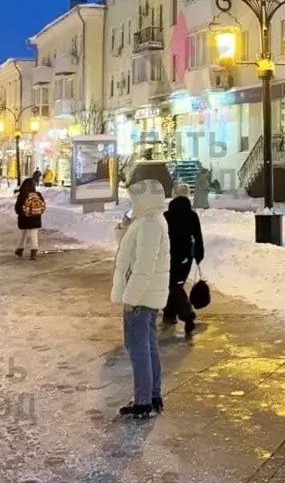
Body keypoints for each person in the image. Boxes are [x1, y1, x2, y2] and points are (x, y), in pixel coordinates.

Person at [111, 170, 170, 419]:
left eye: (136, 200)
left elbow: (144, 264)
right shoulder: (150, 220)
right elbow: (131, 249)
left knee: (138, 347)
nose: (132, 204)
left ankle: (143, 401)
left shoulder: (148, 224)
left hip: (141, 296)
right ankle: (152, 396)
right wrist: (125, 228)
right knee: (148, 346)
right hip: (148, 295)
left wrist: (131, 298)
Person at [162, 182, 205, 339]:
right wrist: (199, 255)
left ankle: (187, 315)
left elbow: (162, 238)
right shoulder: (192, 215)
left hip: (170, 256)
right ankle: (169, 314)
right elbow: (197, 236)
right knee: (176, 285)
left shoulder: (167, 215)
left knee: (173, 285)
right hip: (186, 257)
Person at [14, 178, 46, 259]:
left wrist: (21, 213)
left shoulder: (22, 195)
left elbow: (17, 208)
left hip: (24, 218)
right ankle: (34, 251)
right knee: (34, 234)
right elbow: (42, 205)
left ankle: (20, 249)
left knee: (23, 234)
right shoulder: (37, 194)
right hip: (35, 218)